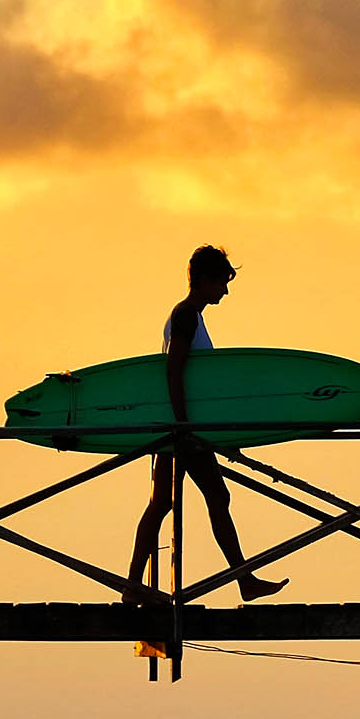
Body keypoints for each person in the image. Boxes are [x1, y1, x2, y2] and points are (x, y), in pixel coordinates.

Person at [127, 245, 286, 604]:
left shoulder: (189, 317)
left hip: (181, 429)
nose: (225, 291)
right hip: (182, 430)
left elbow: (200, 386)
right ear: (204, 280)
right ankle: (244, 580)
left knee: (164, 502)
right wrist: (185, 427)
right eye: (222, 283)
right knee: (211, 496)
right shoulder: (185, 316)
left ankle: (133, 585)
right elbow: (173, 371)